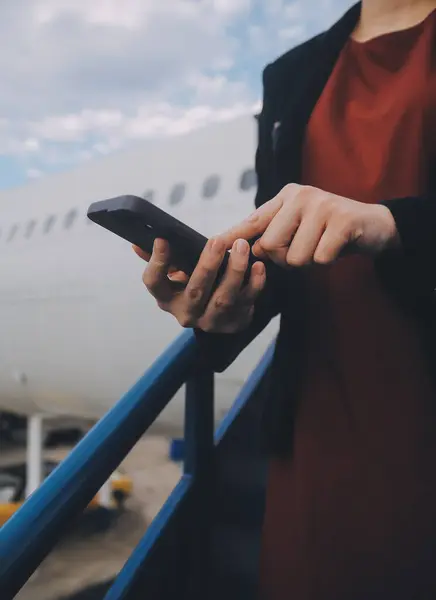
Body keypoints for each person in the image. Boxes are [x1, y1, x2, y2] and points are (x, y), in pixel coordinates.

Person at [134, 0, 436, 597]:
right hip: (326, 416)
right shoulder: (293, 72)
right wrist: (226, 303)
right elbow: (280, 250)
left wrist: (392, 225)